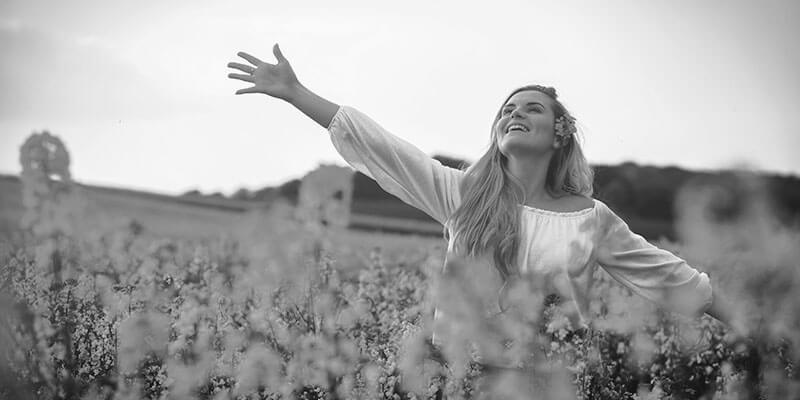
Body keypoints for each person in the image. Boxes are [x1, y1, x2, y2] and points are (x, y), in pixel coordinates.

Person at [227, 43, 741, 391]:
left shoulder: (592, 217)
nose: (514, 113)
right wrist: (297, 94)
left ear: (561, 132)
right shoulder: (463, 195)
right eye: (507, 109)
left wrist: (761, 328)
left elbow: (673, 279)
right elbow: (382, 147)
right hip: (457, 379)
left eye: (532, 108)